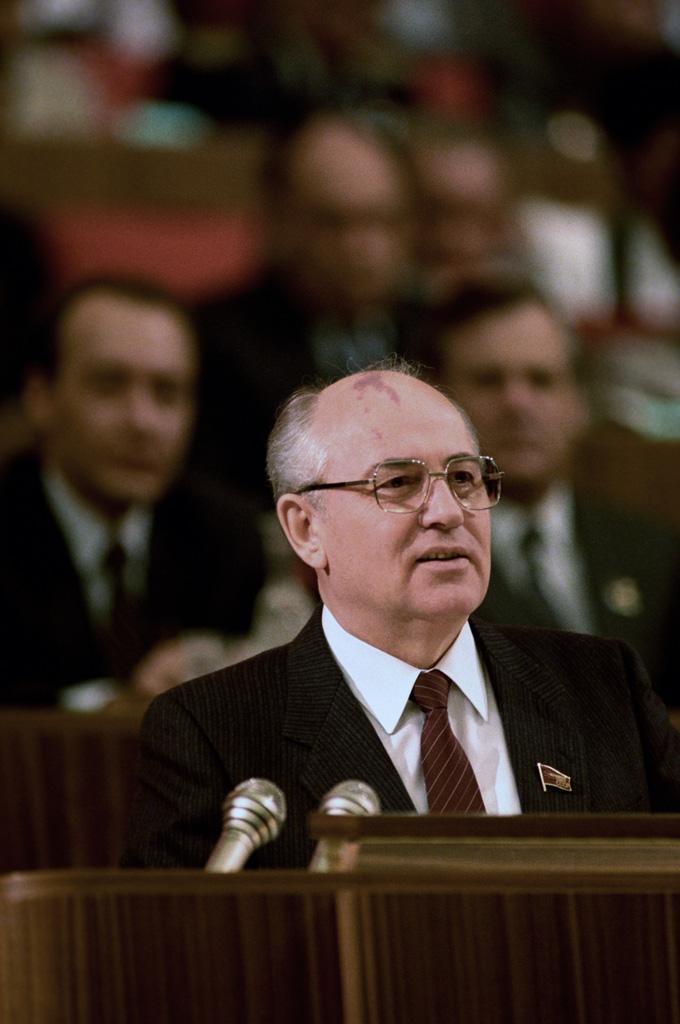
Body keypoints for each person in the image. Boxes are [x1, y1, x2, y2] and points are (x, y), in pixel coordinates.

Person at [122, 360, 680, 872]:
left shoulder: (605, 687)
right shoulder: (209, 732)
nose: (446, 513)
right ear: (305, 529)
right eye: (397, 483)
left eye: (463, 478)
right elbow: (181, 958)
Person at [0, 275, 264, 707]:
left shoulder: (226, 537)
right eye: (109, 386)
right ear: (40, 397)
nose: (142, 422)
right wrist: (115, 704)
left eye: (167, 393)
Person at [422, 279, 679, 704]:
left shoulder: (654, 550)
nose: (518, 403)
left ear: (578, 403)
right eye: (489, 381)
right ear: (437, 399)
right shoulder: (411, 555)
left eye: (541, 381)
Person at [189, 108, 420, 504]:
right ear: (279, 222)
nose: (364, 246)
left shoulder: (436, 332)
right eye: (335, 223)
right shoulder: (211, 344)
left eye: (382, 221)